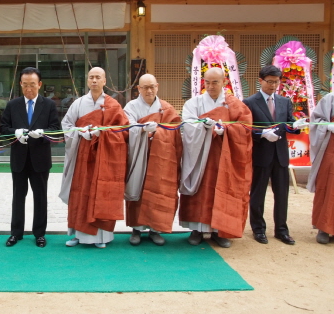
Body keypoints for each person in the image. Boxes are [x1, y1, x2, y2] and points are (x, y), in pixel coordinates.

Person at [179, 67, 253, 248]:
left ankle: (220, 230)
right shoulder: (194, 103)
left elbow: (245, 127)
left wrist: (226, 130)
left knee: (222, 190)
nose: (210, 86)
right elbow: (187, 124)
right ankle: (196, 229)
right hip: (199, 155)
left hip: (225, 155)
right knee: (200, 191)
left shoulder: (235, 105)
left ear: (224, 82)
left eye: (215, 82)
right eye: (208, 82)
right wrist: (205, 128)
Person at [59, 67, 129, 248]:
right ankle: (76, 234)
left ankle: (101, 237)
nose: (95, 81)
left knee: (102, 192)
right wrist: (80, 133)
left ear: (105, 81)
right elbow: (66, 124)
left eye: (98, 77)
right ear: (87, 81)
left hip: (105, 158)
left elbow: (124, 130)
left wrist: (103, 134)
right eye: (91, 77)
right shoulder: (79, 103)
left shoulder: (113, 105)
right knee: (80, 192)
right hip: (83, 156)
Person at [243, 65, 308, 245]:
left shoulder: (284, 101)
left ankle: (281, 230)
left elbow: (290, 124)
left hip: (280, 154)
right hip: (261, 154)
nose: (273, 86)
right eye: (269, 82)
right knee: (258, 193)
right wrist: (262, 134)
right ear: (260, 81)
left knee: (282, 194)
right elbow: (245, 128)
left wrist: (297, 125)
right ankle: (258, 229)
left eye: (276, 82)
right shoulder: (249, 102)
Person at [0, 67, 60, 248]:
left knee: (40, 196)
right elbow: (3, 129)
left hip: (40, 159)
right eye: (25, 85)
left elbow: (56, 130)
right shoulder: (13, 105)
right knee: (18, 196)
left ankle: (39, 234)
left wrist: (43, 133)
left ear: (39, 85)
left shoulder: (48, 105)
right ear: (20, 84)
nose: (28, 89)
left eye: (32, 85)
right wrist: (15, 132)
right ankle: (16, 233)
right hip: (19, 158)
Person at [124, 74, 182, 246]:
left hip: (161, 157)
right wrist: (142, 130)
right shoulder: (131, 106)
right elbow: (127, 126)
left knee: (158, 190)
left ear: (157, 86)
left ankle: (155, 229)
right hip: (139, 155)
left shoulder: (166, 108)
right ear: (139, 89)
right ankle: (136, 229)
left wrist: (159, 133)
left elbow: (176, 131)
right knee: (139, 189)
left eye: (152, 87)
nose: (149, 90)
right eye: (145, 87)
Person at [308, 92, 334, 244]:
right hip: (331, 145)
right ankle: (323, 227)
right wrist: (327, 127)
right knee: (327, 184)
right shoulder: (330, 98)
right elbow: (316, 120)